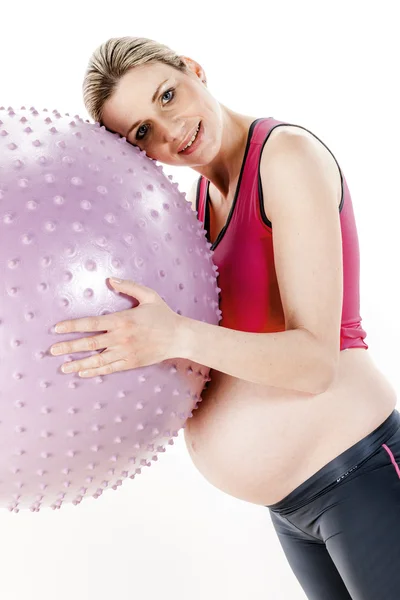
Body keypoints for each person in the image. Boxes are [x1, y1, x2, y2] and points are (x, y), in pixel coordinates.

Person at [51, 37, 400, 599]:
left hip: (357, 475)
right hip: (292, 507)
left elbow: (315, 364)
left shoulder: (284, 157)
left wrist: (176, 335)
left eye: (167, 95)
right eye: (142, 132)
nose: (170, 131)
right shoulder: (199, 202)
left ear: (193, 68)